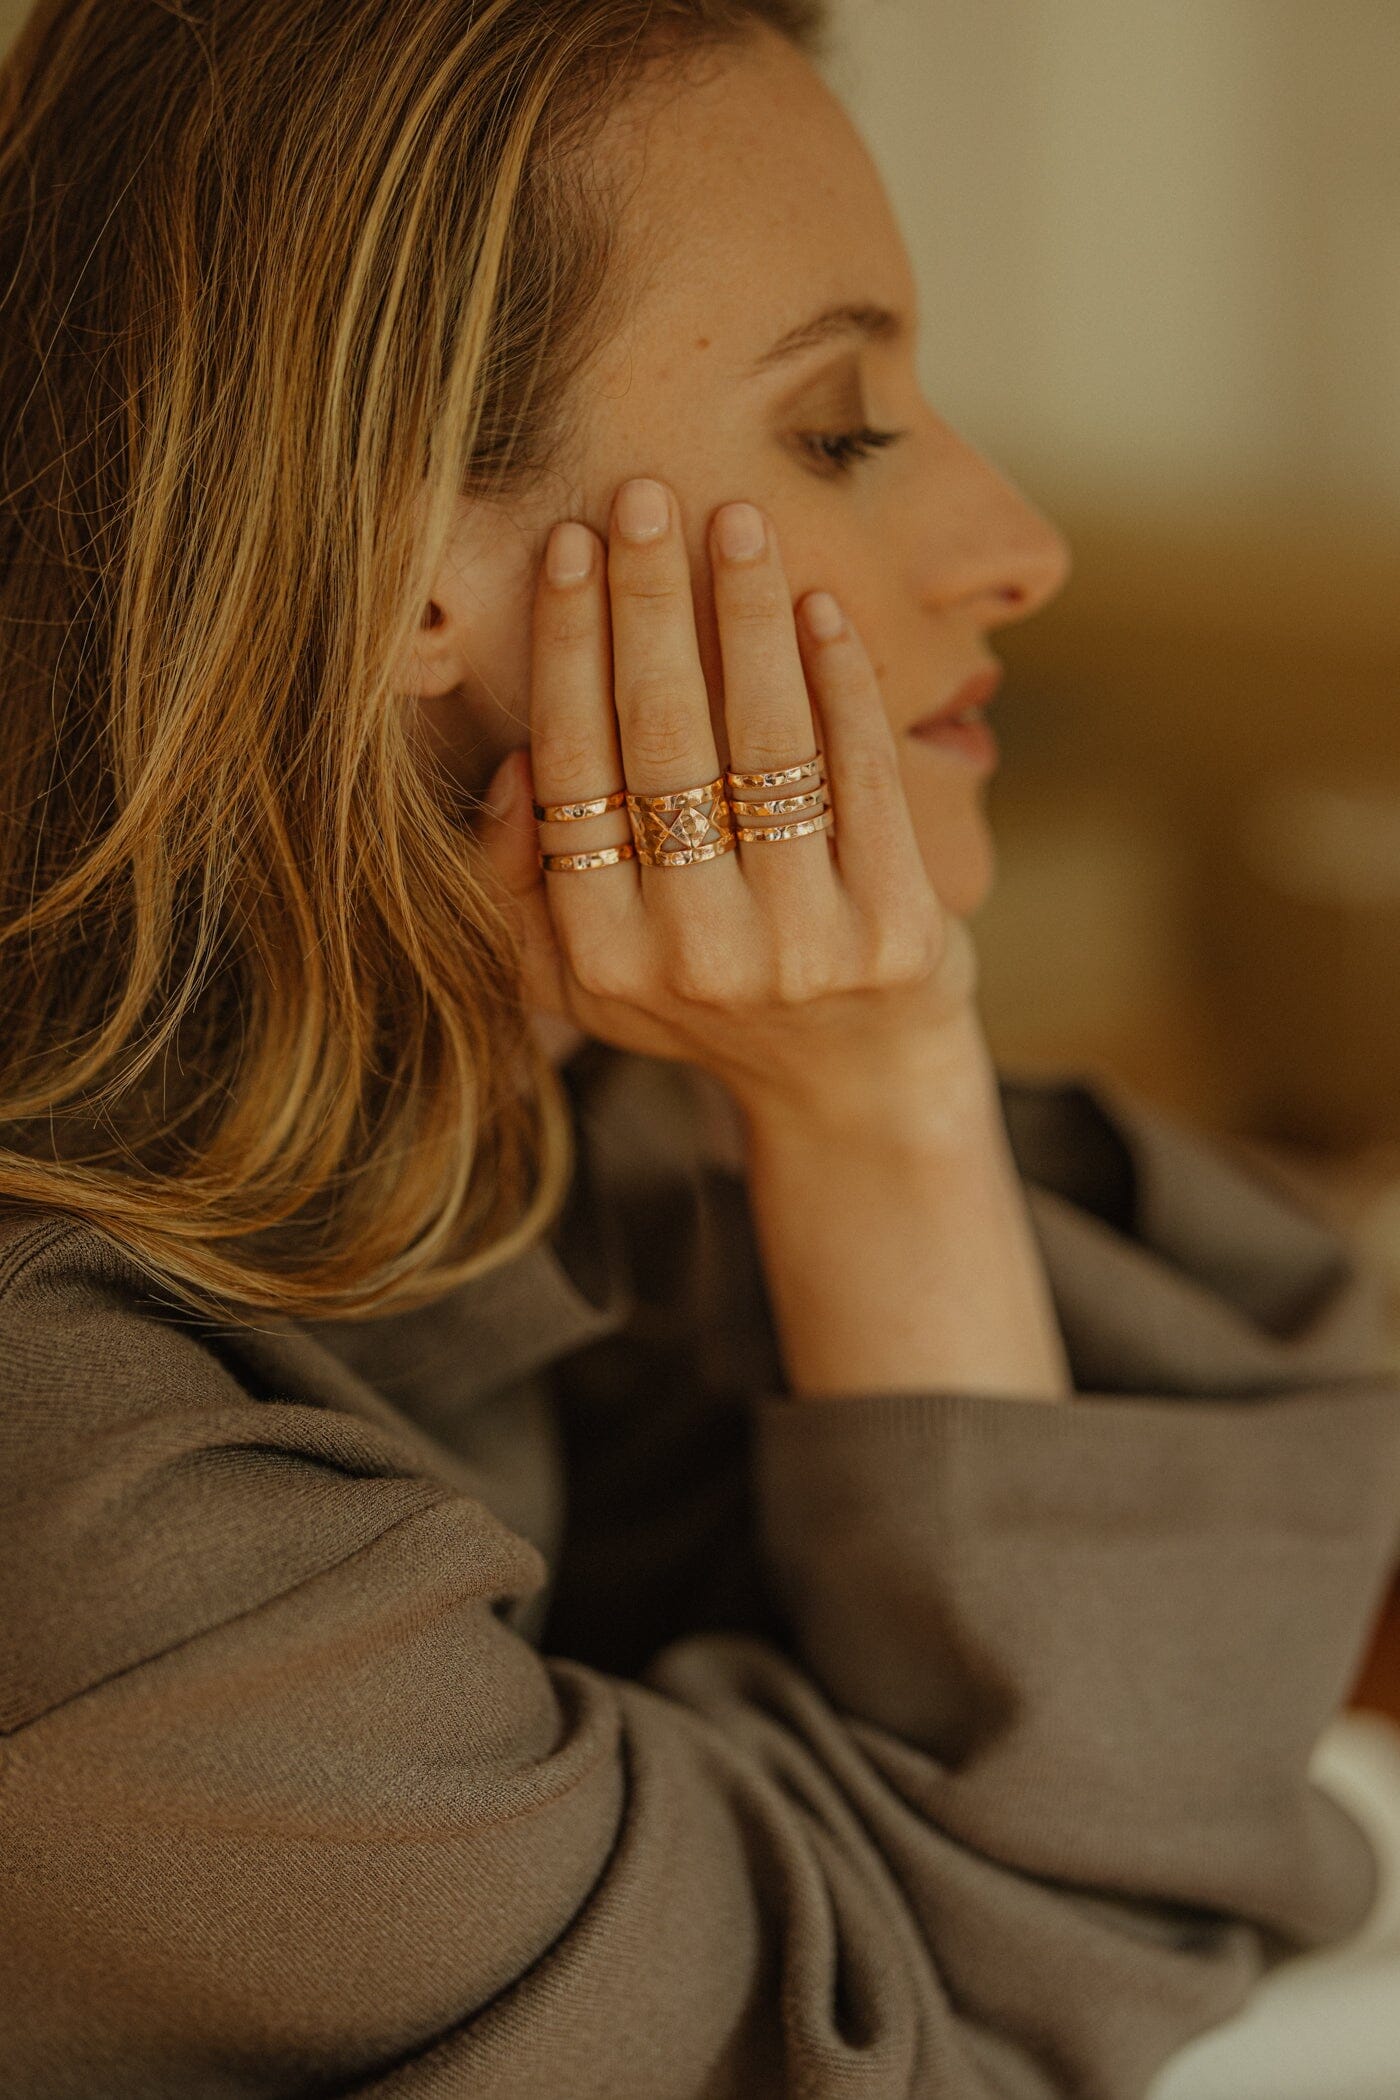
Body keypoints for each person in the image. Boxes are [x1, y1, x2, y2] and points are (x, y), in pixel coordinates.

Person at [1, 1, 1397, 2094]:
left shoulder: (536, 1133)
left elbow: (1140, 1788)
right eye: (839, 429)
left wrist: (849, 1102)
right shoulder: (94, 1512)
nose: (1019, 547)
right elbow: (951, 2010)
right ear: (389, 564)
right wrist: (879, 1113)